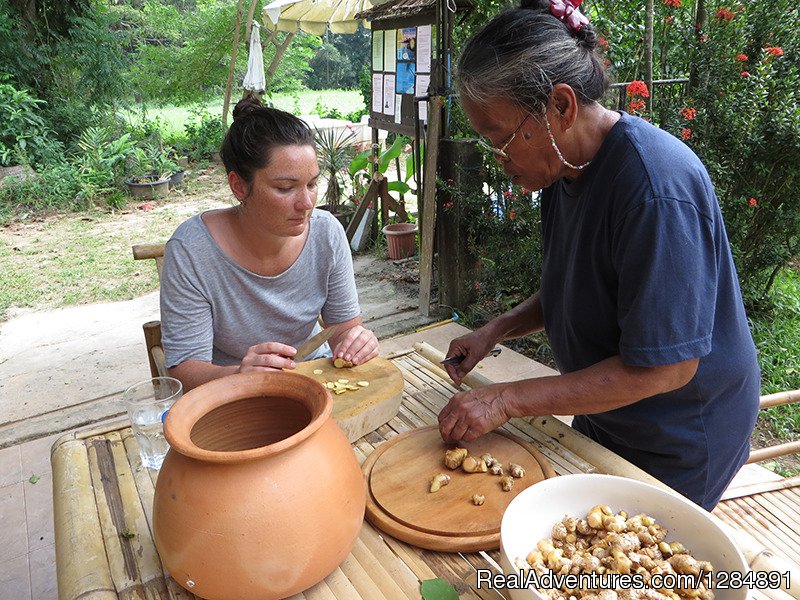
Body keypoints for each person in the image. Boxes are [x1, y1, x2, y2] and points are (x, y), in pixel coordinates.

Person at [438, 0, 760, 510]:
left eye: (499, 140)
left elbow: (666, 370)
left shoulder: (654, 188)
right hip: (612, 408)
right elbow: (573, 283)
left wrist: (505, 399)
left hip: (679, 431)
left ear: (561, 108)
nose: (498, 160)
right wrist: (496, 329)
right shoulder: (565, 166)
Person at [160, 97, 379, 392]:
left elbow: (343, 329)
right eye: (285, 188)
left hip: (314, 378)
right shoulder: (192, 251)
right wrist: (240, 373)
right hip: (234, 391)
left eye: (312, 184)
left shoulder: (327, 234)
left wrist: (356, 341)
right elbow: (186, 370)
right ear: (239, 186)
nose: (306, 203)